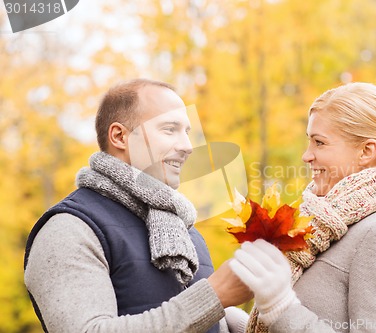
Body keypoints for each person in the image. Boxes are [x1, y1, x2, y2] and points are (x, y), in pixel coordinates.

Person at [24, 79, 251, 333]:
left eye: (187, 131)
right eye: (169, 129)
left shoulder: (183, 229)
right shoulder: (69, 228)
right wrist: (213, 298)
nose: (188, 146)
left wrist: (239, 321)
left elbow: (175, 307)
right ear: (120, 136)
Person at [230, 82, 376, 333]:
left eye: (319, 143)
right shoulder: (320, 231)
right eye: (309, 142)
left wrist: (280, 306)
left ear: (366, 151)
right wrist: (232, 323)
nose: (307, 155)